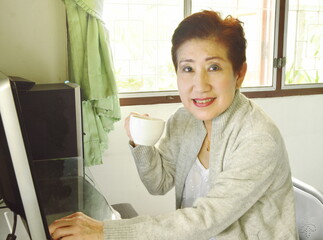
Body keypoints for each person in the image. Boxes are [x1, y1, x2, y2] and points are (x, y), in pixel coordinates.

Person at [49, 10, 297, 239]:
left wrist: (107, 232)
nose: (199, 84)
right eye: (187, 68)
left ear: (239, 74)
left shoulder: (258, 137)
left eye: (214, 67)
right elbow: (158, 184)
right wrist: (141, 141)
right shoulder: (185, 119)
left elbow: (207, 219)